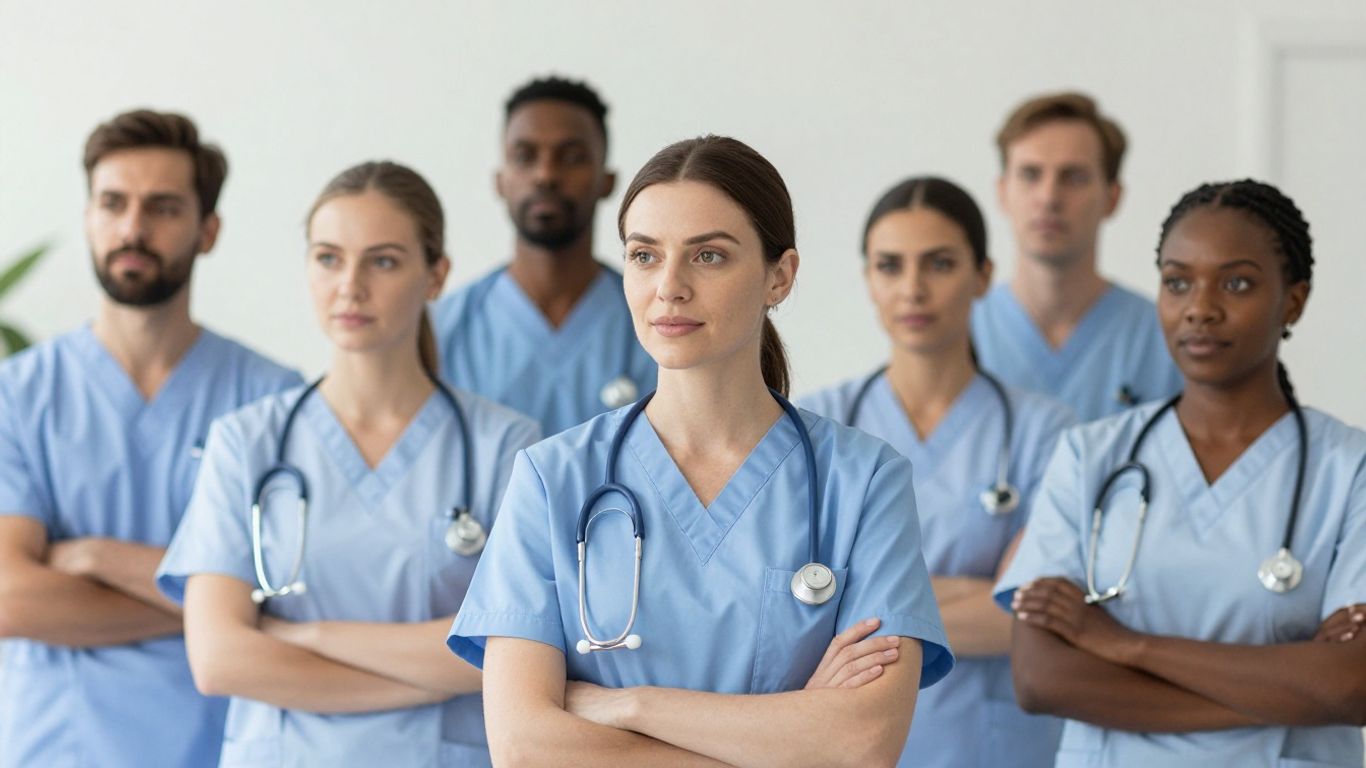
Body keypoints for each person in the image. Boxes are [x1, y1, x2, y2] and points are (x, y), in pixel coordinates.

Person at [448, 135, 952, 767]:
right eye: (644, 255)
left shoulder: (864, 481)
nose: (670, 287)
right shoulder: (553, 479)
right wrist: (788, 740)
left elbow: (862, 744)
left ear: (780, 276)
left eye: (708, 256)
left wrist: (631, 707)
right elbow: (525, 748)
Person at [156, 161, 540, 765]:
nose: (350, 285)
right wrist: (438, 669)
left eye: (383, 261)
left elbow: (513, 653)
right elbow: (219, 658)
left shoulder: (507, 448)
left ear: (435, 275)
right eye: (328, 258)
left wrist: (303, 636)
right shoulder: (246, 443)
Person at [995, 180, 1366, 767]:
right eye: (1178, 281)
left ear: (1292, 302)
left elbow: (1351, 685)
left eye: (1237, 282)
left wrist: (1122, 644)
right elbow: (1043, 679)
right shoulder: (1091, 457)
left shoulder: (1350, 469)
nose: (1201, 306)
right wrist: (1291, 691)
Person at [0, 109, 300, 767]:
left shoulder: (273, 399)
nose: (133, 228)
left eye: (163, 208)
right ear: (88, 217)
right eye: (113, 203)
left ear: (208, 230)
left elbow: (291, 593)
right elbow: (10, 597)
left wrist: (98, 558)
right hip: (57, 747)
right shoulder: (16, 394)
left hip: (220, 747)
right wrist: (216, 611)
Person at [801, 176, 1074, 767]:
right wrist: (974, 596)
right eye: (890, 266)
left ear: (982, 276)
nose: (913, 289)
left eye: (940, 264)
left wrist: (861, 604)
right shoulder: (813, 428)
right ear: (868, 280)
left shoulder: (1046, 434)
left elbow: (1031, 623)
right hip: (848, 745)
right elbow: (786, 616)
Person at [433, 76, 656, 435]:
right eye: (525, 156)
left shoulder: (656, 323)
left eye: (572, 158)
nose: (546, 174)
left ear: (607, 180)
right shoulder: (440, 331)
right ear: (500, 180)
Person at [973, 92, 1180, 420]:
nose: (1049, 196)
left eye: (1074, 177)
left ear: (1112, 197)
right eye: (1030, 174)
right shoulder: (961, 333)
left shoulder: (1164, 340)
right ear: (1001, 192)